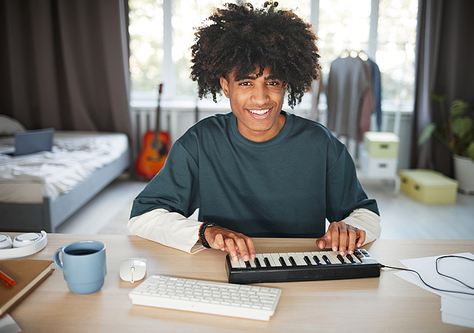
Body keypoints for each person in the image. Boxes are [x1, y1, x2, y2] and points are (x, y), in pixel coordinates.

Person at [128, 1, 381, 263]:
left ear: (286, 85)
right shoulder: (200, 142)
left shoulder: (321, 144)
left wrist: (350, 228)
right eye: (246, 83)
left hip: (304, 271)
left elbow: (365, 213)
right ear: (226, 87)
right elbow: (143, 217)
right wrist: (206, 232)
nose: (261, 98)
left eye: (272, 82)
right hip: (225, 266)